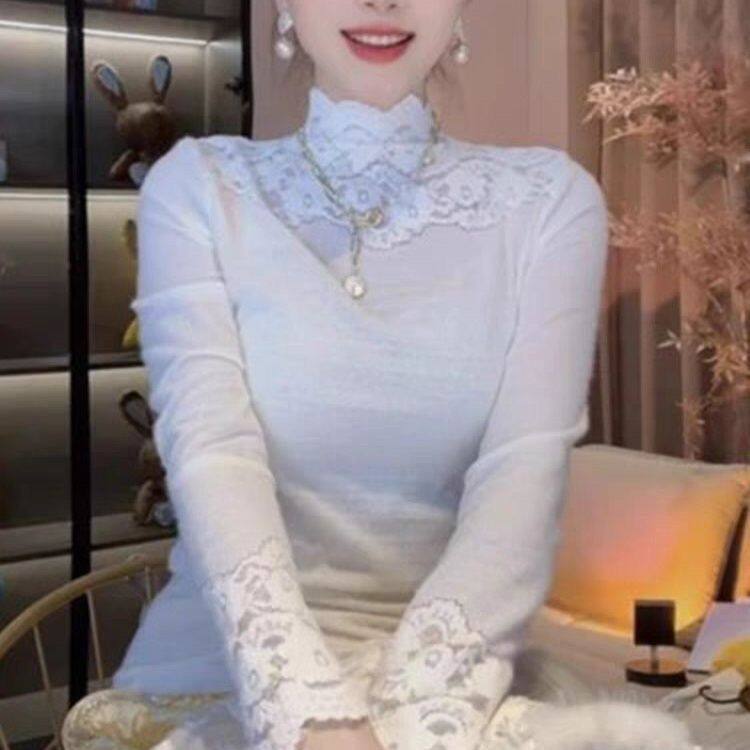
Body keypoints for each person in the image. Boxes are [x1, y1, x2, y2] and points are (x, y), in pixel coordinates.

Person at [62, 1, 707, 749]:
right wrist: (314, 719)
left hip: (456, 667)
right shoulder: (198, 186)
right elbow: (212, 453)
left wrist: (416, 715)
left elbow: (522, 469)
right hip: (228, 667)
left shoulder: (548, 202)